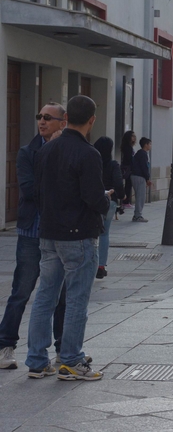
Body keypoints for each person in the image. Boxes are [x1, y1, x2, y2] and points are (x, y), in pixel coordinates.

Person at [27, 95, 109, 381]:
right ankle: (71, 360)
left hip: (49, 233)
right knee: (76, 299)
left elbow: (38, 192)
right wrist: (107, 202)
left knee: (44, 297)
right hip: (79, 236)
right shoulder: (88, 154)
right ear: (92, 120)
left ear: (65, 119)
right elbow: (92, 197)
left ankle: (37, 360)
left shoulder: (46, 150)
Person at [0, 103, 68, 372]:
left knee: (62, 294)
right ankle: (5, 345)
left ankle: (64, 349)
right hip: (31, 232)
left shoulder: (68, 150)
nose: (42, 121)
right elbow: (28, 189)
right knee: (22, 290)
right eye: (39, 116)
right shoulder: (28, 152)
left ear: (62, 122)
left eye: (48, 118)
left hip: (59, 233)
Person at [93, 137, 124, 279]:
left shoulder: (93, 162)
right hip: (110, 200)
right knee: (104, 233)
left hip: (94, 200)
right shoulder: (113, 165)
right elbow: (118, 182)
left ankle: (91, 264)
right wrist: (122, 196)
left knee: (91, 234)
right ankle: (101, 265)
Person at [130, 137, 152, 222]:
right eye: (149, 144)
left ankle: (137, 214)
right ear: (145, 145)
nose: (150, 146)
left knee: (139, 195)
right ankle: (138, 215)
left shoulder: (140, 153)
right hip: (139, 176)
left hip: (136, 175)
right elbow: (144, 167)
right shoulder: (143, 154)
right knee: (140, 196)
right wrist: (147, 178)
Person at [120, 130, 136, 209]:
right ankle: (126, 202)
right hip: (128, 168)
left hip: (127, 167)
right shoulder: (128, 148)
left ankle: (126, 201)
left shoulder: (128, 147)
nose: (134, 137)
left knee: (128, 184)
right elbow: (129, 159)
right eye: (132, 136)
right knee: (128, 185)